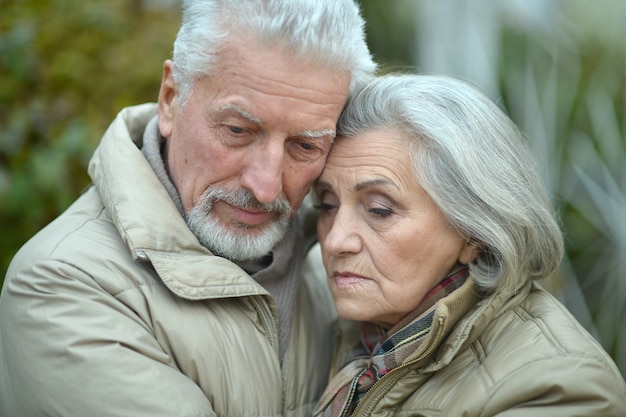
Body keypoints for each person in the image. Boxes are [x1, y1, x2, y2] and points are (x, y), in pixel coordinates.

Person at [0, 1, 377, 416]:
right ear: (170, 98)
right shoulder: (60, 284)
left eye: (305, 146)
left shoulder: (334, 265)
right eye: (237, 131)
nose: (267, 187)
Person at [311, 73, 626, 416]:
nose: (335, 239)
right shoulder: (344, 330)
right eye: (327, 204)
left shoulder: (557, 386)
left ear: (473, 232)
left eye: (379, 210)